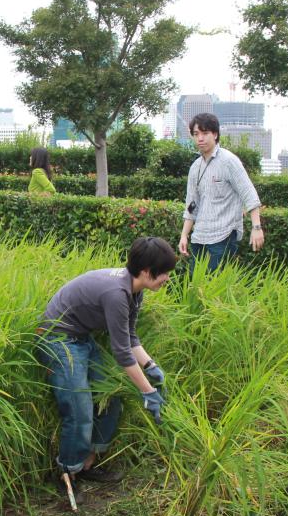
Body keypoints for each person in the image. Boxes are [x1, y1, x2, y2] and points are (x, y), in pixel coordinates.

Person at [38, 237, 176, 495]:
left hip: (82, 338)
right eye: (164, 273)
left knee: (111, 398)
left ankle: (87, 464)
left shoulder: (135, 291)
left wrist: (150, 365)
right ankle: (67, 474)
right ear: (146, 272)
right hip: (59, 338)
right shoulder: (117, 294)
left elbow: (130, 336)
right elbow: (122, 353)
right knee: (80, 408)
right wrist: (148, 392)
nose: (167, 278)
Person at [179, 113, 264, 273]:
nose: (200, 139)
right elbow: (191, 205)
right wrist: (184, 235)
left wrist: (257, 227)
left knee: (214, 288)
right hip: (199, 236)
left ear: (215, 134)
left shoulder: (229, 161)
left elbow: (249, 193)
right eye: (196, 134)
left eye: (205, 133)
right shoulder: (195, 167)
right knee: (193, 287)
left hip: (223, 236)